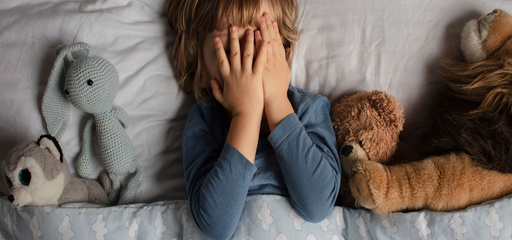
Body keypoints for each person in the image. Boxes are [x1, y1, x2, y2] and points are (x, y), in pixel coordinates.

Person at [166, 0, 341, 239]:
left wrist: (277, 101)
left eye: (259, 43)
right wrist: (245, 115)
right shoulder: (205, 121)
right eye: (230, 52)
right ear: (202, 71)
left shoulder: (307, 109)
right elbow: (215, 225)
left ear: (282, 51)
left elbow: (319, 205)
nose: (248, 61)